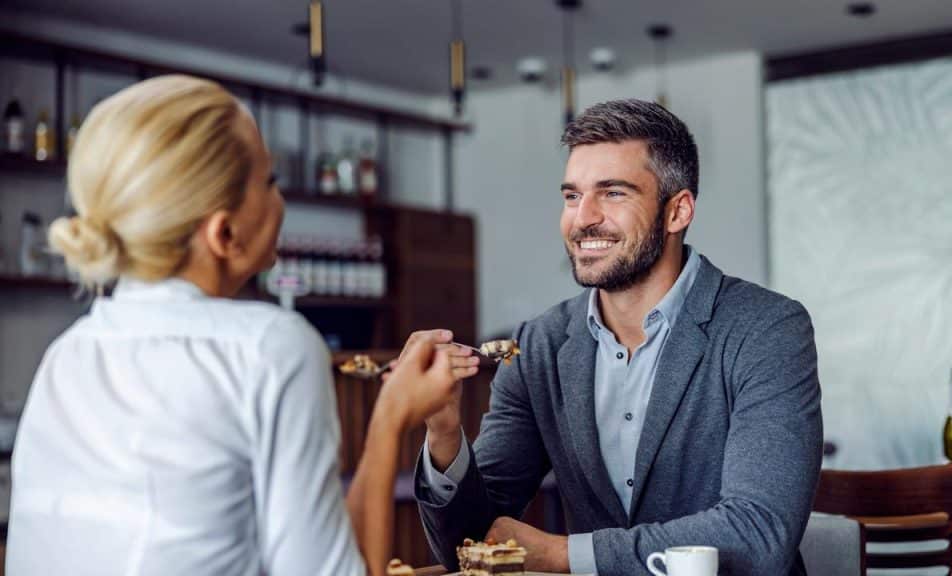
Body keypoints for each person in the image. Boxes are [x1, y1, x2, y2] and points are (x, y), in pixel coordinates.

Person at [5, 75, 478, 576]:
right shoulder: (271, 347)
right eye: (269, 181)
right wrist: (391, 416)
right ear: (224, 232)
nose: (280, 201)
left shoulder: (65, 354)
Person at [415, 99, 823, 576]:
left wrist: (562, 555)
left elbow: (758, 535)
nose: (582, 218)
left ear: (677, 211)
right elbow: (471, 544)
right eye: (572, 196)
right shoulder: (537, 346)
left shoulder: (767, 328)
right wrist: (443, 431)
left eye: (612, 193)